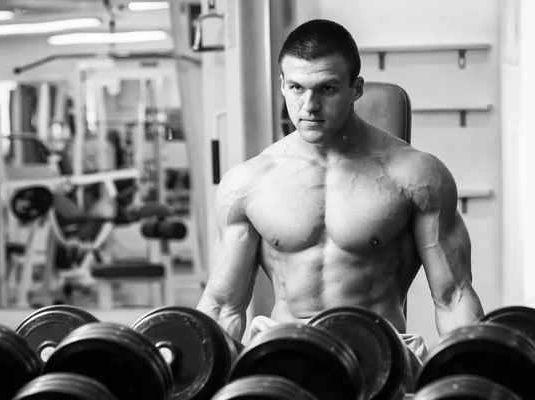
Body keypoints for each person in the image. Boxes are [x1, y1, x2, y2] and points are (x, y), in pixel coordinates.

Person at [195, 19, 484, 359]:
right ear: (282, 85)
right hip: (284, 354)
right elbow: (223, 306)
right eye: (297, 88)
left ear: (356, 89)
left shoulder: (415, 176)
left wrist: (469, 369)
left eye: (327, 89)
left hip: (376, 359)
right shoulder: (248, 183)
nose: (310, 106)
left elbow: (453, 297)